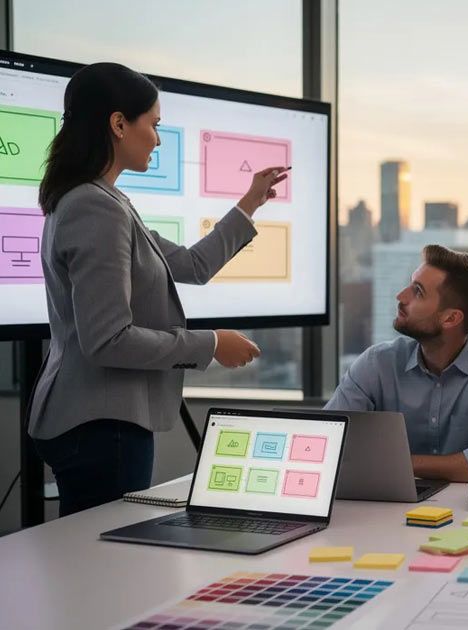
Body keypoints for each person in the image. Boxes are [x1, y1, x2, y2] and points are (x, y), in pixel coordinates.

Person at [29, 63, 285, 515]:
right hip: (101, 425)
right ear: (119, 123)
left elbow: (192, 263)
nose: (159, 139)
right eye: (154, 124)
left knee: (96, 565)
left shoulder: (99, 202)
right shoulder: (95, 207)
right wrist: (210, 344)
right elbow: (107, 339)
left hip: (95, 422)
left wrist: (250, 203)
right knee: (105, 569)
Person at [326, 245, 468, 482]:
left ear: (451, 318)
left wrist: (395, 463)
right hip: (384, 505)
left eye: (418, 292)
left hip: (465, 508)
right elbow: (326, 442)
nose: (401, 296)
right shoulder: (377, 363)